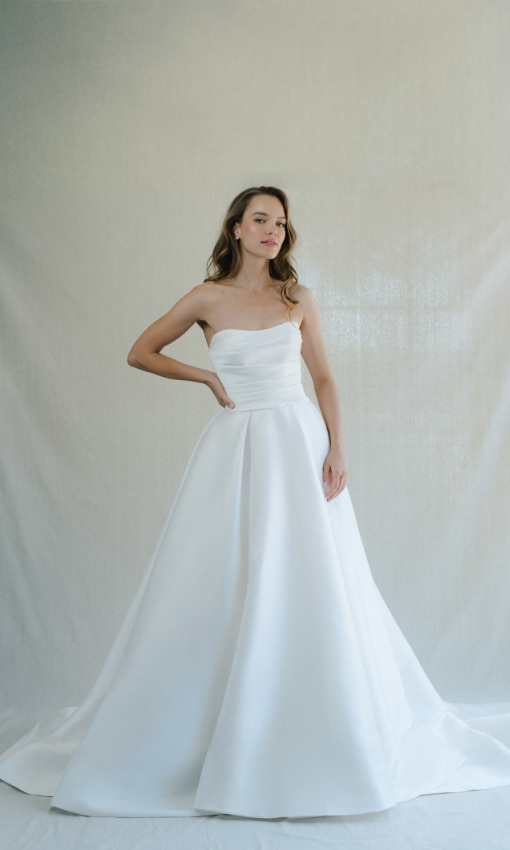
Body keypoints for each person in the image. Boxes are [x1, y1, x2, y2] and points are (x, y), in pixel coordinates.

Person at [1, 186, 510, 819]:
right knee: (222, 578)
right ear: (237, 228)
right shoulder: (206, 298)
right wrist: (205, 375)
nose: (273, 230)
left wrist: (338, 447)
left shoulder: (297, 298)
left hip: (298, 443)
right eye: (261, 220)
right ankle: (209, 727)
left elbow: (324, 377)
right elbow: (140, 352)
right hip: (235, 449)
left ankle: (319, 727)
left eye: (281, 223)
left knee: (310, 573)